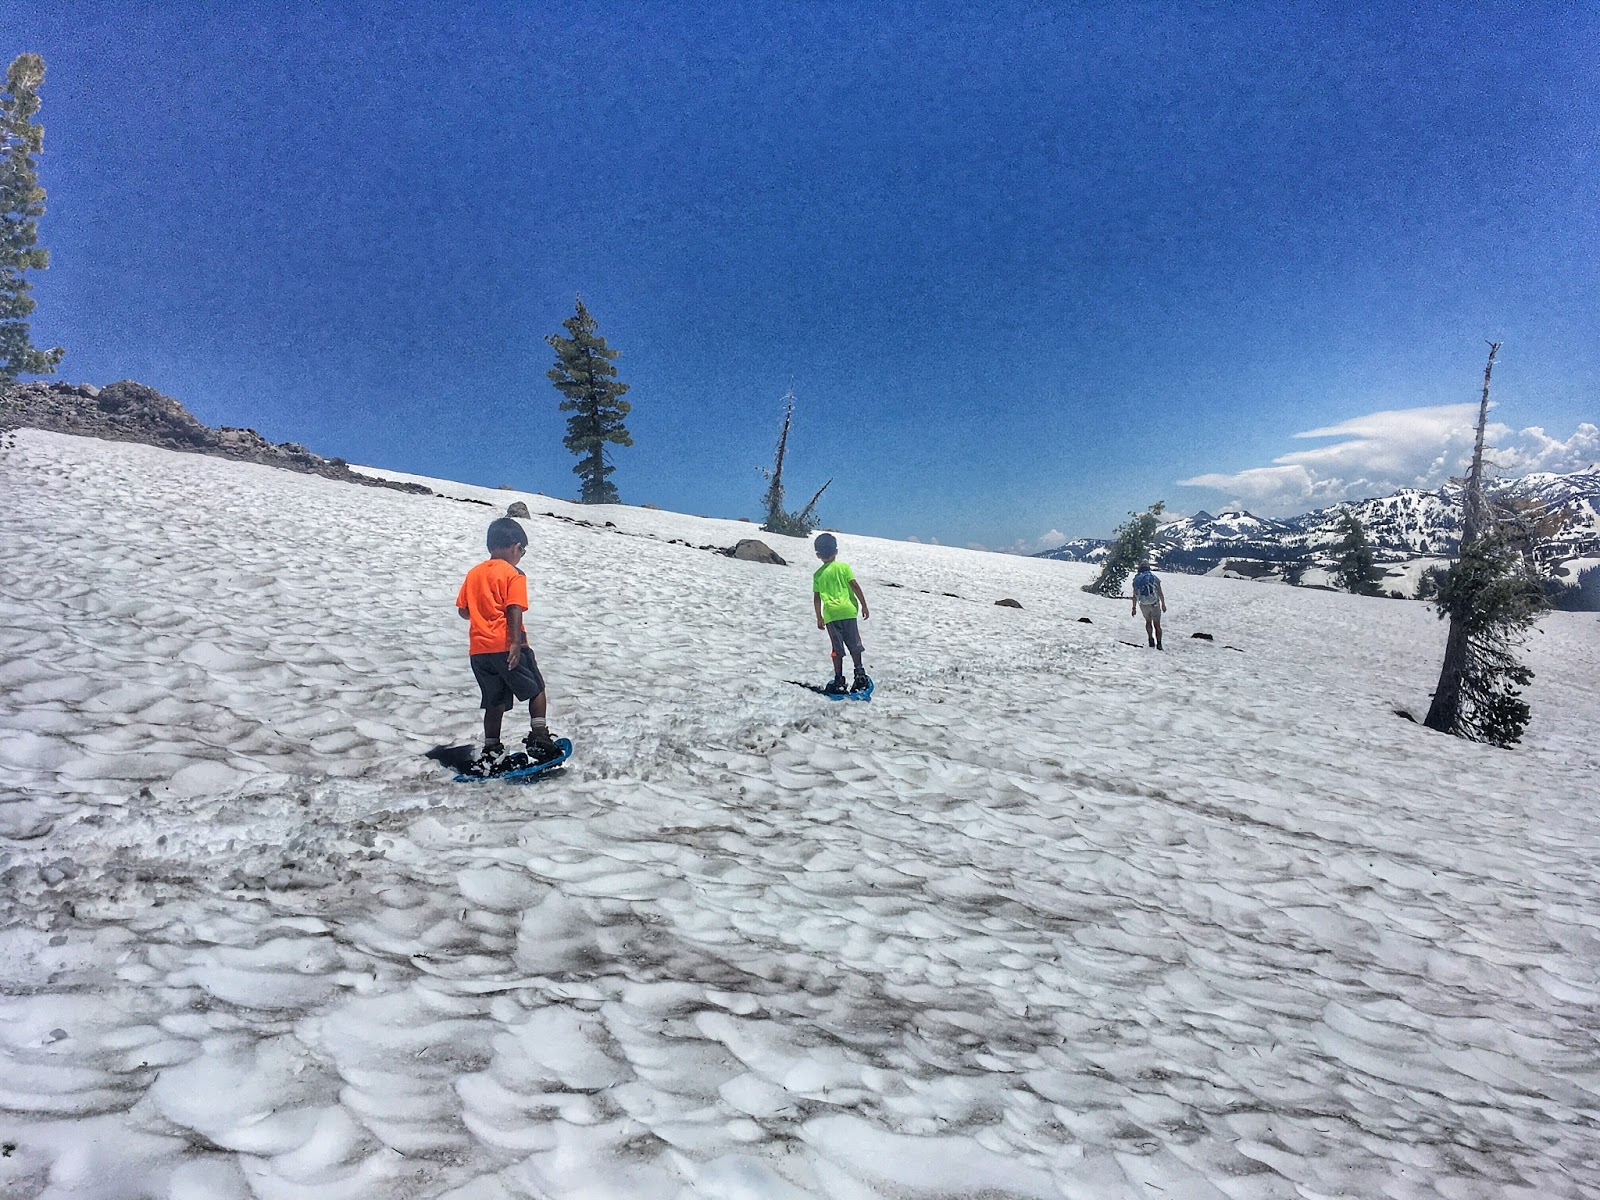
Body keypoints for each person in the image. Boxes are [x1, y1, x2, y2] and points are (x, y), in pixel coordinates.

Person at [455, 517, 562, 771]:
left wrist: (482, 611)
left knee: (494, 701)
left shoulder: (474, 573)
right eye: (522, 551)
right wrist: (515, 642)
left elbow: (463, 611)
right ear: (515, 547)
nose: (521, 556)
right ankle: (539, 737)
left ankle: (491, 750)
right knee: (536, 688)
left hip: (480, 651)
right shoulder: (513, 574)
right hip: (507, 645)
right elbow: (514, 607)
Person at [812, 532, 871, 694]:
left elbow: (817, 598)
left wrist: (819, 617)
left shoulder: (818, 575)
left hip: (831, 615)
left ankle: (839, 679)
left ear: (818, 555)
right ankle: (859, 673)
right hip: (848, 612)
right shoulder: (844, 568)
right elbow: (855, 586)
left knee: (836, 648)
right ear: (836, 551)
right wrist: (864, 605)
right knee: (854, 644)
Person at [1130, 559, 1166, 649]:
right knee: (1157, 624)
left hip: (1143, 604)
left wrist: (1134, 608)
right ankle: (1159, 644)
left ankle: (1150, 639)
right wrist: (1163, 604)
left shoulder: (1137, 579)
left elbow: (1134, 595)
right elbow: (1160, 592)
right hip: (1154, 603)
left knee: (1148, 621)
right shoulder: (1153, 578)